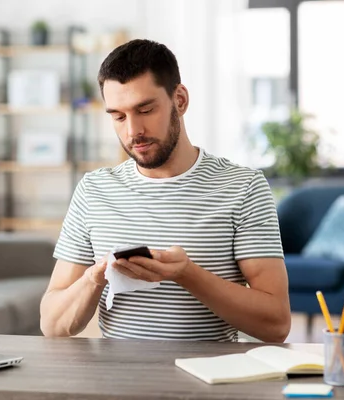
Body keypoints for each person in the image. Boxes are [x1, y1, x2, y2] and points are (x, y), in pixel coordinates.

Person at [39, 39, 291, 342]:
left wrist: (186, 274)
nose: (133, 131)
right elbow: (52, 326)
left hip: (208, 381)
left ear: (180, 100)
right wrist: (95, 277)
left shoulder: (244, 188)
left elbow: (276, 324)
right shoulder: (94, 190)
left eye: (145, 109)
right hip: (116, 384)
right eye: (118, 116)